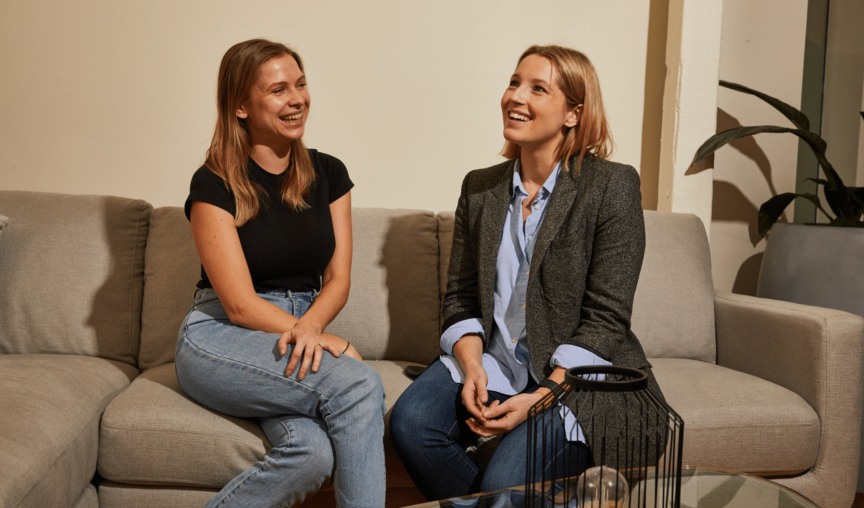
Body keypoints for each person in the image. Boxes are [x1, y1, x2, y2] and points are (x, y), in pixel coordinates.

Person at [389, 45, 666, 500]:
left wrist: (540, 398)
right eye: (515, 82)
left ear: (573, 114)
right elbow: (460, 296)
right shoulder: (480, 187)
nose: (516, 96)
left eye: (538, 88)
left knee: (504, 481)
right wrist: (472, 363)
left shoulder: (612, 186)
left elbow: (606, 319)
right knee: (411, 424)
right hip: (496, 363)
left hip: (579, 379)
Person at [174, 39, 386, 508]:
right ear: (241, 107)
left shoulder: (329, 173)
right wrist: (322, 339)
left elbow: (338, 280)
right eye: (278, 90)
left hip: (294, 333)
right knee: (359, 382)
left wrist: (313, 330)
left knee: (310, 453)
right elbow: (238, 304)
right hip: (220, 334)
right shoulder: (213, 182)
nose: (297, 100)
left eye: (301, 84)